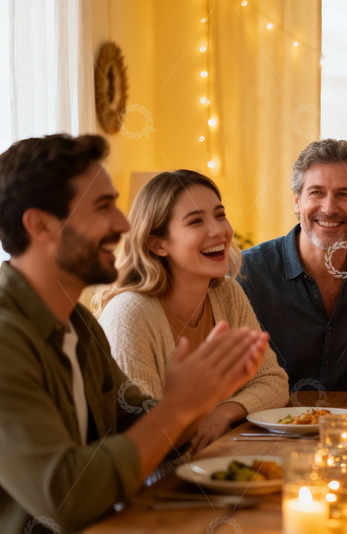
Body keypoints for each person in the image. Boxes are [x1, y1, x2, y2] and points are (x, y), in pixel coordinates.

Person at [0, 134, 267, 532]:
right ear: (41, 225)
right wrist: (181, 406)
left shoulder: (79, 324)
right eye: (102, 207)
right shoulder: (7, 339)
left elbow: (135, 422)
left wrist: (200, 398)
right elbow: (67, 496)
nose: (124, 224)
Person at [93, 170, 289, 452]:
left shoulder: (227, 293)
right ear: (158, 244)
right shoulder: (129, 314)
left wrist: (221, 414)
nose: (218, 230)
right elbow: (142, 436)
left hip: (219, 462)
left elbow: (273, 381)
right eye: (196, 221)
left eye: (220, 215)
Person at [238, 139, 347, 392]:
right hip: (267, 418)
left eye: (344, 194)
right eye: (316, 192)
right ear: (297, 200)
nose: (328, 208)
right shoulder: (246, 273)